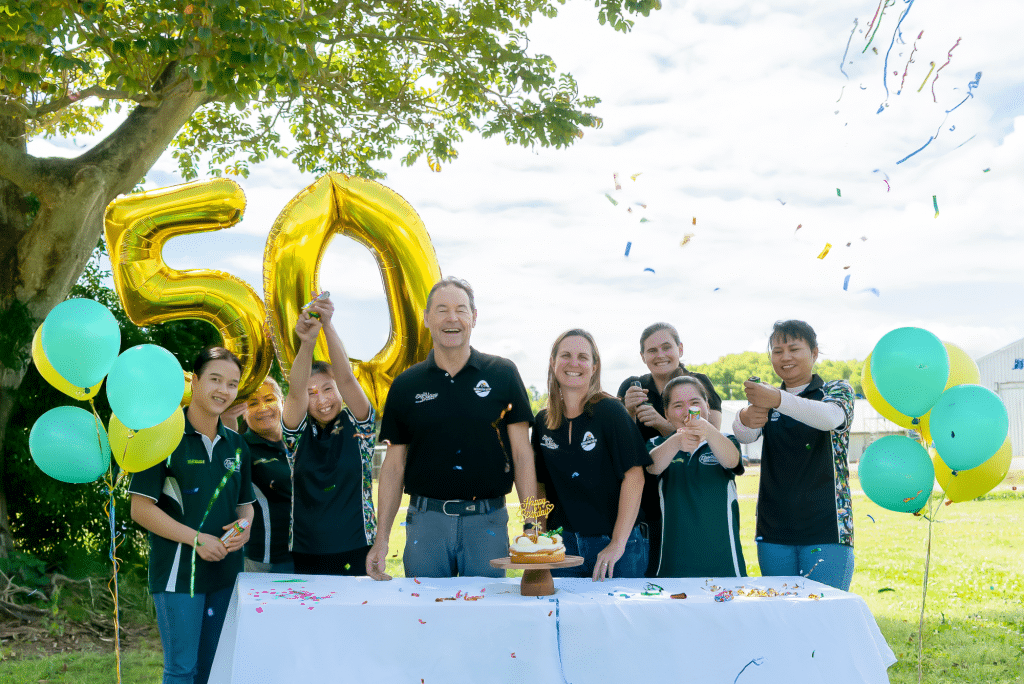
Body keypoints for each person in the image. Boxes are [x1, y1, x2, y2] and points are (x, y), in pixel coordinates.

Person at [366, 276, 538, 580]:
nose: (452, 318)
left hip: (488, 523)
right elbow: (393, 467)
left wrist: (532, 524)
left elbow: (523, 455)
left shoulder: (503, 374)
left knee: (484, 619)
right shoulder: (406, 385)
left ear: (473, 317)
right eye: (442, 309)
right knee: (426, 618)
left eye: (461, 309)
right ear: (427, 318)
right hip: (425, 524)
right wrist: (382, 539)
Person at [129, 347, 255, 684]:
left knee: (213, 669)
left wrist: (243, 527)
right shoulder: (162, 436)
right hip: (179, 575)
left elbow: (246, 505)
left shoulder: (238, 445)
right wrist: (196, 539)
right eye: (215, 379)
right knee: (183, 669)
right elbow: (140, 508)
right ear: (195, 381)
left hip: (226, 574)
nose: (223, 390)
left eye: (232, 384)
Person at [732, 320, 855, 591]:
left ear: (814, 353)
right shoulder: (768, 397)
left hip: (828, 529)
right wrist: (744, 416)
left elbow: (830, 418)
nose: (785, 357)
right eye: (777, 351)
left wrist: (775, 398)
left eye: (794, 349)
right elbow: (745, 435)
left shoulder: (836, 390)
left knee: (825, 617)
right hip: (774, 530)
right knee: (782, 617)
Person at [532, 329, 650, 581]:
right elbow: (539, 484)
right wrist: (539, 536)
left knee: (618, 620)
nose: (574, 363)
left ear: (594, 367)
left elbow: (635, 477)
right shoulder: (543, 422)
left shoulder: (610, 412)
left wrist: (617, 543)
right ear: (553, 363)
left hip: (616, 545)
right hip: (561, 545)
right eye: (565, 355)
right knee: (567, 619)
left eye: (583, 357)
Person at [616, 322, 723, 576]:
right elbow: (619, 447)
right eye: (651, 350)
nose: (660, 355)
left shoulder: (699, 383)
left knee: (696, 574)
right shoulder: (632, 386)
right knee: (652, 575)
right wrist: (628, 412)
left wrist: (663, 425)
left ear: (680, 349)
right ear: (642, 356)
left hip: (692, 495)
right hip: (647, 500)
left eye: (667, 347)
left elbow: (711, 438)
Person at [281, 295, 376, 576]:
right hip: (307, 550)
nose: (321, 400)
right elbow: (295, 392)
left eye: (327, 389)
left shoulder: (360, 426)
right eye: (312, 394)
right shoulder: (296, 436)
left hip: (358, 547)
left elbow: (347, 378)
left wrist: (328, 325)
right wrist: (307, 343)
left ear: (338, 391)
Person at [647, 376, 745, 578]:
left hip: (724, 562)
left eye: (694, 403)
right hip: (673, 564)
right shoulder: (658, 443)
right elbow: (652, 467)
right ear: (666, 413)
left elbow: (732, 460)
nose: (688, 411)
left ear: (707, 406)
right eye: (678, 405)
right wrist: (676, 441)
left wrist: (707, 430)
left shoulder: (725, 439)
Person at [241, 377, 294, 573]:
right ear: (243, 412)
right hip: (262, 562)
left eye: (270, 399)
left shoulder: (300, 443)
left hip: (308, 556)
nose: (262, 408)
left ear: (283, 401)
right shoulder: (240, 448)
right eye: (253, 403)